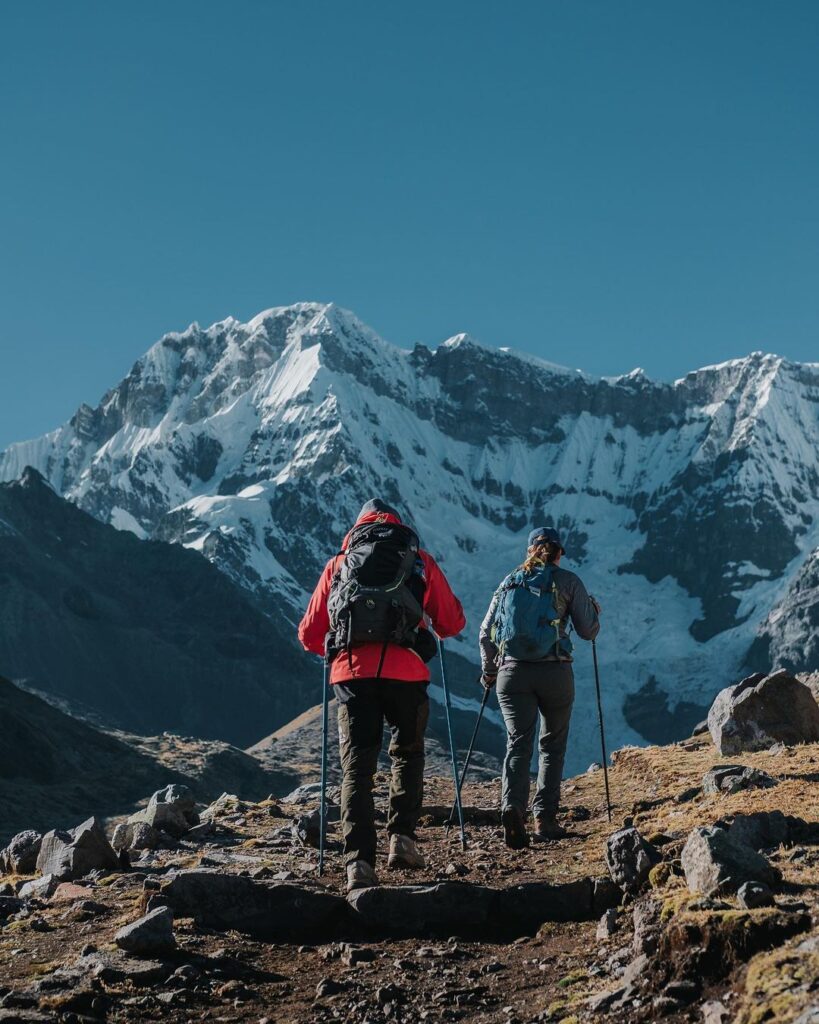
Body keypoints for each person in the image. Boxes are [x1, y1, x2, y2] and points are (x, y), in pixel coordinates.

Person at [299, 498, 466, 892]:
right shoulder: (419, 559)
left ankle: (358, 862)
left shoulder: (339, 564)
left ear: (358, 528)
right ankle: (402, 840)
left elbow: (308, 634)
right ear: (397, 525)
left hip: (353, 673)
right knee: (407, 753)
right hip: (407, 672)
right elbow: (453, 622)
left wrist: (339, 639)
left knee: (357, 767)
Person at [479, 526, 600, 849]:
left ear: (530, 550)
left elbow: (485, 632)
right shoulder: (568, 581)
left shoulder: (509, 582)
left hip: (511, 674)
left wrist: (490, 672)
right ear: (559, 552)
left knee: (518, 743)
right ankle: (545, 818)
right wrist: (593, 612)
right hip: (555, 672)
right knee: (552, 745)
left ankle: (512, 807)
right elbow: (587, 632)